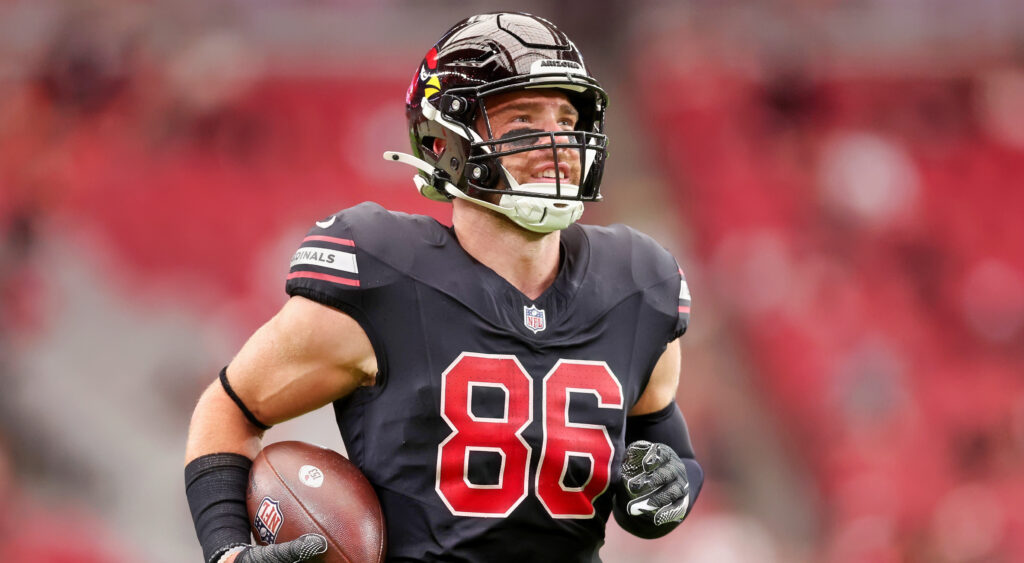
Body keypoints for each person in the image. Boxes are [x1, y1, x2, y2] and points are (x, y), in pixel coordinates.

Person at [184, 12, 703, 563]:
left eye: (567, 119)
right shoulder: (383, 271)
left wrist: (669, 488)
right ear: (443, 142)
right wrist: (227, 552)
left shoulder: (637, 283)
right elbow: (230, 408)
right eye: (523, 121)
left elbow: (663, 439)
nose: (558, 144)